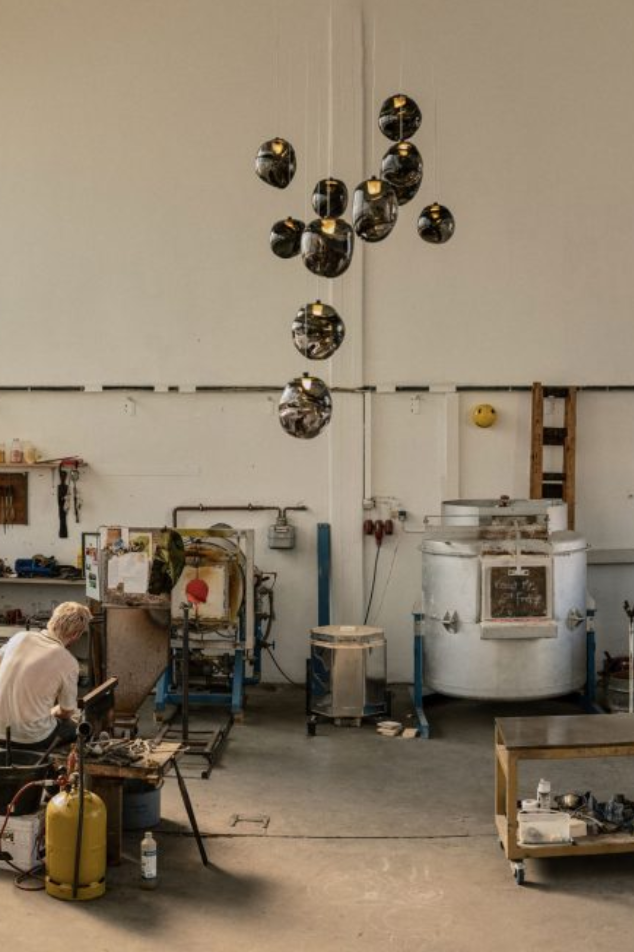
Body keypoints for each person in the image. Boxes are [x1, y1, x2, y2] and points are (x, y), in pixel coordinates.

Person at [0, 601, 92, 750]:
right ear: (76, 635)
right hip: (31, 738)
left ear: (52, 620)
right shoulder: (68, 662)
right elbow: (66, 711)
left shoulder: (19, 637)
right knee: (81, 727)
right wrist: (50, 712)